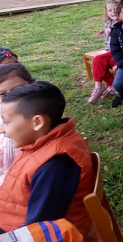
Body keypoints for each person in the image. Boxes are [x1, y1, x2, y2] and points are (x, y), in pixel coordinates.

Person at [0, 82, 94, 238]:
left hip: (22, 232)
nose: (2, 129)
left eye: (6, 122)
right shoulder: (48, 142)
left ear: (37, 122)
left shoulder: (55, 165)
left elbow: (39, 229)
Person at [0, 63, 35, 186]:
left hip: (21, 185)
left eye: (18, 90)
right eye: (3, 94)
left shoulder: (43, 119)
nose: (11, 98)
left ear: (32, 84)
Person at [87, 0, 120, 103]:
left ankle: (110, 86)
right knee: (99, 61)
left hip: (120, 54)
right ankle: (101, 86)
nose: (113, 12)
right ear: (106, 12)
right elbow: (107, 43)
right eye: (110, 10)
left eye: (116, 9)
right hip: (110, 52)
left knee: (99, 61)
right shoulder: (108, 24)